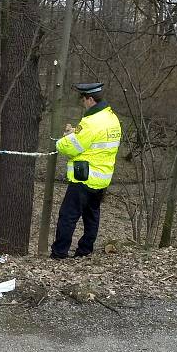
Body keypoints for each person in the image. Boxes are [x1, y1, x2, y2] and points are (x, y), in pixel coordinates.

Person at [50, 82, 121, 259]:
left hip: (84, 177)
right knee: (92, 216)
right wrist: (76, 133)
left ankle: (59, 253)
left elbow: (73, 147)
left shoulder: (91, 122)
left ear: (90, 99)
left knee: (68, 216)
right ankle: (85, 250)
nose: (82, 103)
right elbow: (94, 141)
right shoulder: (112, 118)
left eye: (83, 99)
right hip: (102, 178)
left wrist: (60, 142)